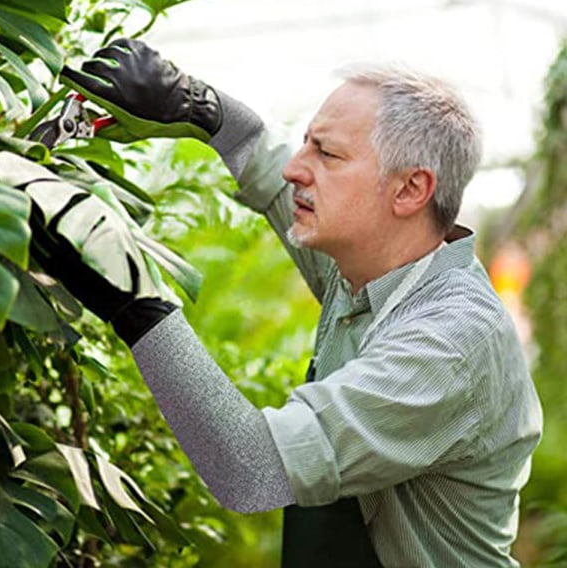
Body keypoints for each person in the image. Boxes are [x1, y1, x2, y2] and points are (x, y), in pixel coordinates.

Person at [41, 39, 542, 567]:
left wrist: (135, 302)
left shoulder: (449, 341)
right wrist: (195, 103)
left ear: (410, 190)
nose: (295, 169)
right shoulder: (367, 269)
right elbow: (259, 152)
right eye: (307, 145)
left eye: (326, 154)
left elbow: (252, 470)